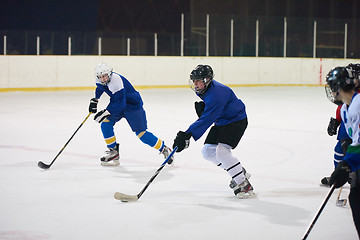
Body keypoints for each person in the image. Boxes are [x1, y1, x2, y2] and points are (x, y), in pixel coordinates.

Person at [172, 64, 254, 199]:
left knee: (222, 152)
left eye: (198, 81)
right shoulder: (207, 89)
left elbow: (208, 119)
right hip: (222, 121)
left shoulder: (217, 94)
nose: (195, 84)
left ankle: (244, 185)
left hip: (236, 121)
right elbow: (210, 115)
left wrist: (188, 134)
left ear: (207, 80)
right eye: (194, 80)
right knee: (207, 152)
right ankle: (238, 172)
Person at [89, 63, 174, 166]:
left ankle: (164, 148)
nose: (103, 79)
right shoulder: (99, 80)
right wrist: (95, 100)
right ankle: (113, 151)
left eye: (105, 76)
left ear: (110, 73)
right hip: (118, 103)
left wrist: (106, 112)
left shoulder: (116, 80)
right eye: (100, 77)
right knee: (105, 124)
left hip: (132, 105)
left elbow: (121, 103)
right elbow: (100, 88)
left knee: (141, 134)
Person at [326, 66, 360, 237]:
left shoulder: (358, 105)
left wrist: (348, 163)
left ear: (337, 88)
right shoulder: (347, 107)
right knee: (355, 198)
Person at [322, 63, 360, 186]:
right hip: (349, 125)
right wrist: (337, 120)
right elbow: (343, 107)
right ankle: (340, 173)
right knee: (342, 146)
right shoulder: (346, 105)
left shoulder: (357, 102)